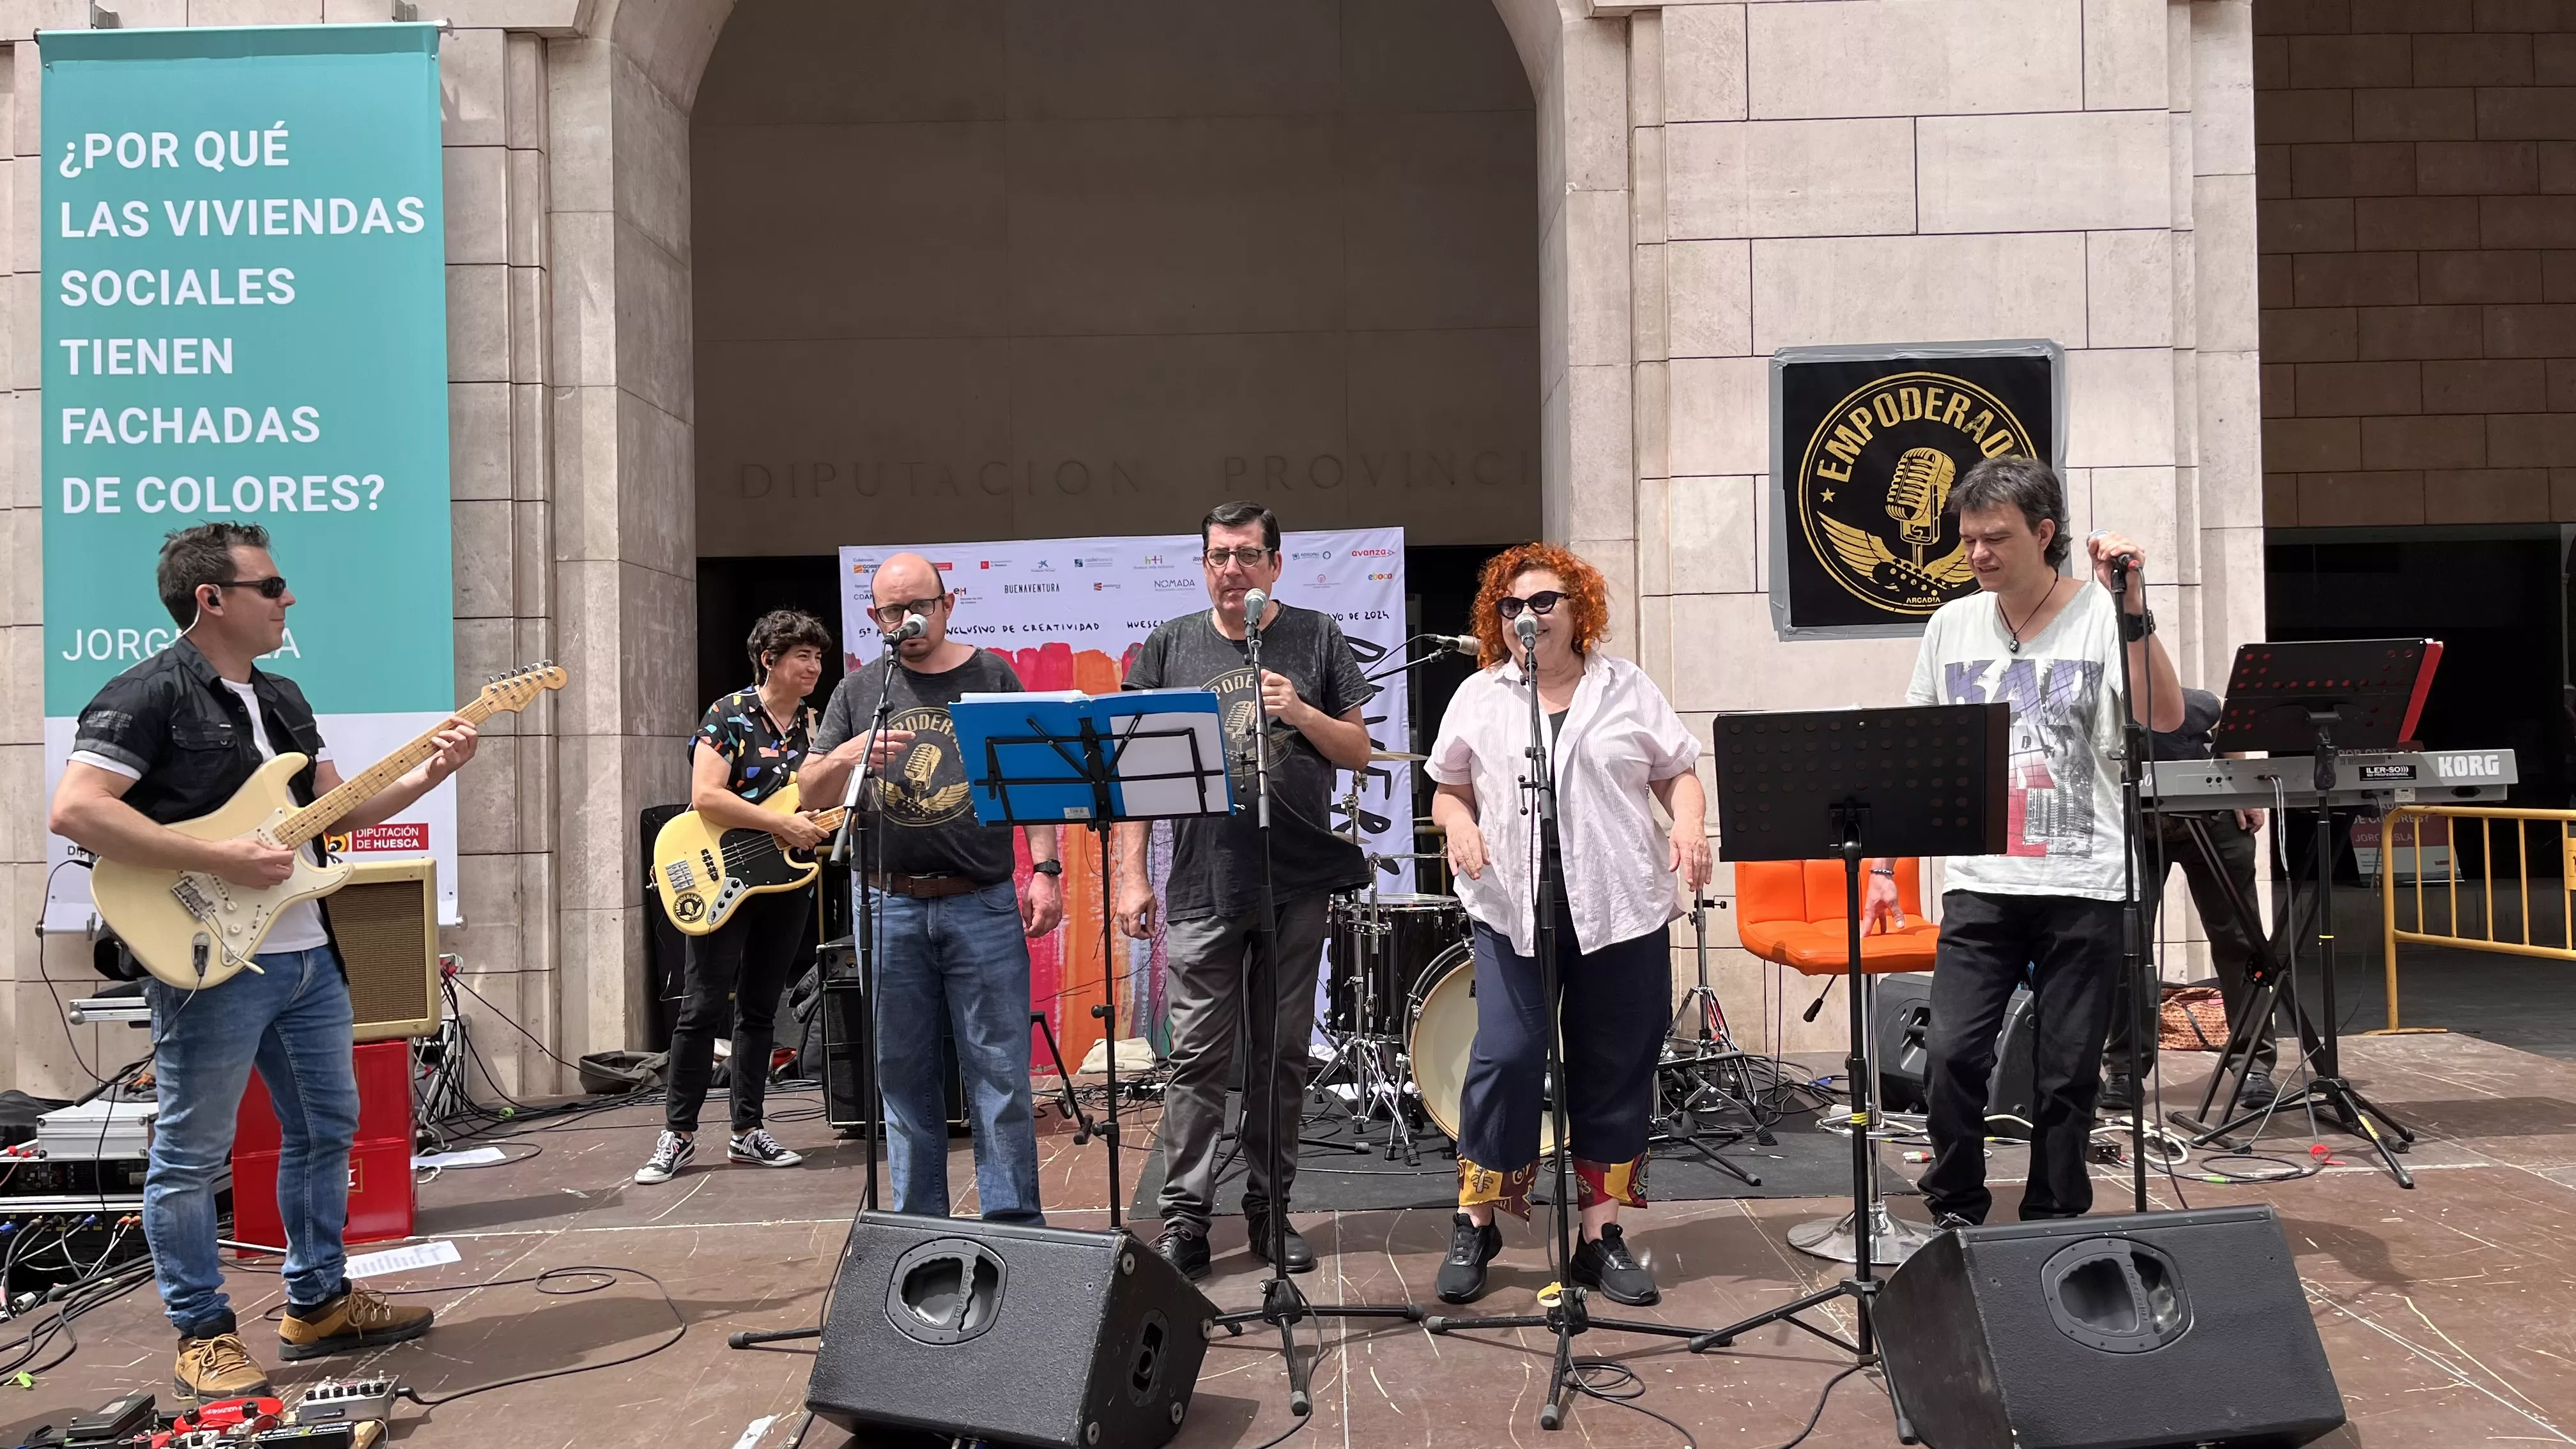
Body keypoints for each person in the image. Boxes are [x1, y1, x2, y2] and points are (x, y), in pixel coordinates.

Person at [49, 523, 477, 1399]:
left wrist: (432, 773)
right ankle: (202, 1333)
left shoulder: (281, 698)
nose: (290, 600)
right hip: (209, 961)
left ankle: (316, 1302)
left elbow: (334, 813)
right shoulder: (146, 695)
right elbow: (77, 811)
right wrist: (220, 859)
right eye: (271, 586)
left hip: (307, 953)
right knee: (192, 1152)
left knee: (328, 1129)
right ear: (211, 600)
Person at [1865, 456, 2184, 1229]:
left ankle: (2053, 1214)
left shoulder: (2104, 618)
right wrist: (1883, 867)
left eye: (1995, 539)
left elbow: (2166, 715)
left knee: (2067, 1070)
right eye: (1968, 539)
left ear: (2045, 535)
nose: (1976, 554)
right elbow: (1915, 750)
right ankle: (1956, 1205)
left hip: (2084, 880)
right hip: (1981, 878)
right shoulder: (1952, 624)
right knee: (1952, 1053)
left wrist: (2132, 603)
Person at [1423, 544, 1710, 1307]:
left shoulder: (1627, 688)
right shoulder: (1482, 695)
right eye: (1513, 606)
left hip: (1621, 908)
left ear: (1579, 608)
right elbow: (1448, 789)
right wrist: (1458, 826)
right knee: (1508, 1058)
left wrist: (1689, 827)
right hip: (1514, 909)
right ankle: (1476, 1219)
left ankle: (1599, 1236)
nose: (1529, 616)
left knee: (1614, 1069)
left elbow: (1678, 770)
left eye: (1545, 601)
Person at [1114, 502, 1376, 1282]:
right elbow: (1134, 778)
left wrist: (1299, 709)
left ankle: (1270, 1209)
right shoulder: (1170, 645)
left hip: (1297, 884)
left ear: (1275, 564)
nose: (1233, 569)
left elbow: (1358, 750)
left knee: (1281, 1058)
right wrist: (1132, 873)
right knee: (1197, 1059)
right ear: (1203, 565)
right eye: (1219, 556)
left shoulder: (1318, 635)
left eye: (1248, 555)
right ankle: (1187, 1222)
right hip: (1203, 883)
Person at [802, 554, 1066, 1224]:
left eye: (919, 605)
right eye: (893, 611)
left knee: (999, 1071)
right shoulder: (858, 691)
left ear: (950, 604)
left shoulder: (992, 676)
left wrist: (1045, 870)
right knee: (901, 1073)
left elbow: (1031, 782)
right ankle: (919, 1229)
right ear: (875, 619)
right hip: (884, 903)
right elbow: (810, 790)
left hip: (978, 899)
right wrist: (848, 754)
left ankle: (1014, 1226)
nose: (908, 619)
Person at [636, 609, 847, 1185]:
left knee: (759, 1009)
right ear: (769, 660)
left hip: (783, 879)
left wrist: (842, 778)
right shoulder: (729, 714)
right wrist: (780, 825)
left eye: (819, 657)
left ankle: (747, 1130)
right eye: (803, 655)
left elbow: (813, 797)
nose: (814, 666)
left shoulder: (813, 723)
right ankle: (677, 1134)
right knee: (703, 1006)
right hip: (717, 871)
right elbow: (706, 795)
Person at [2100, 686, 2277, 1114]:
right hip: (2134, 823)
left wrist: (2245, 791)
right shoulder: (2093, 699)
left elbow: (2217, 719)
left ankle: (2253, 1064)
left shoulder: (2179, 698)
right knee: (2129, 944)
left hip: (2213, 814)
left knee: (2240, 939)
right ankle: (2124, 1070)